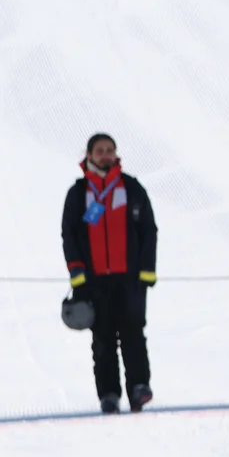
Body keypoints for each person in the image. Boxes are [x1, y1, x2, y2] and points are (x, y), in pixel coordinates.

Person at [63, 133, 157, 413]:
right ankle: (109, 395)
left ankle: (139, 388)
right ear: (89, 155)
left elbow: (149, 230)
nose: (105, 155)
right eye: (100, 150)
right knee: (102, 339)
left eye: (109, 150)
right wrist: (78, 275)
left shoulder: (131, 187)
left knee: (133, 335)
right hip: (94, 282)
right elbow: (69, 236)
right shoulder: (79, 193)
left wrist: (147, 271)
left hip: (129, 279)